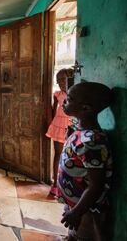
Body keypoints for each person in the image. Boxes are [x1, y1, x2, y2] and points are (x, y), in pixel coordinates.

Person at [58, 82, 113, 240]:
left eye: (69, 99)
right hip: (76, 199)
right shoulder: (81, 131)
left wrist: (77, 212)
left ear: (85, 109)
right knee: (74, 229)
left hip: (87, 207)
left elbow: (96, 186)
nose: (64, 102)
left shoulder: (92, 142)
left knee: (86, 233)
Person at [46, 68, 73, 196]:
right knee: (58, 154)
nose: (60, 83)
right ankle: (55, 184)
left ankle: (68, 182)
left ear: (71, 77)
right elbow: (53, 109)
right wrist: (52, 123)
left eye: (63, 79)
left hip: (71, 125)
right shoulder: (58, 95)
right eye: (58, 81)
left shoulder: (75, 93)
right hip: (58, 125)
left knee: (70, 155)